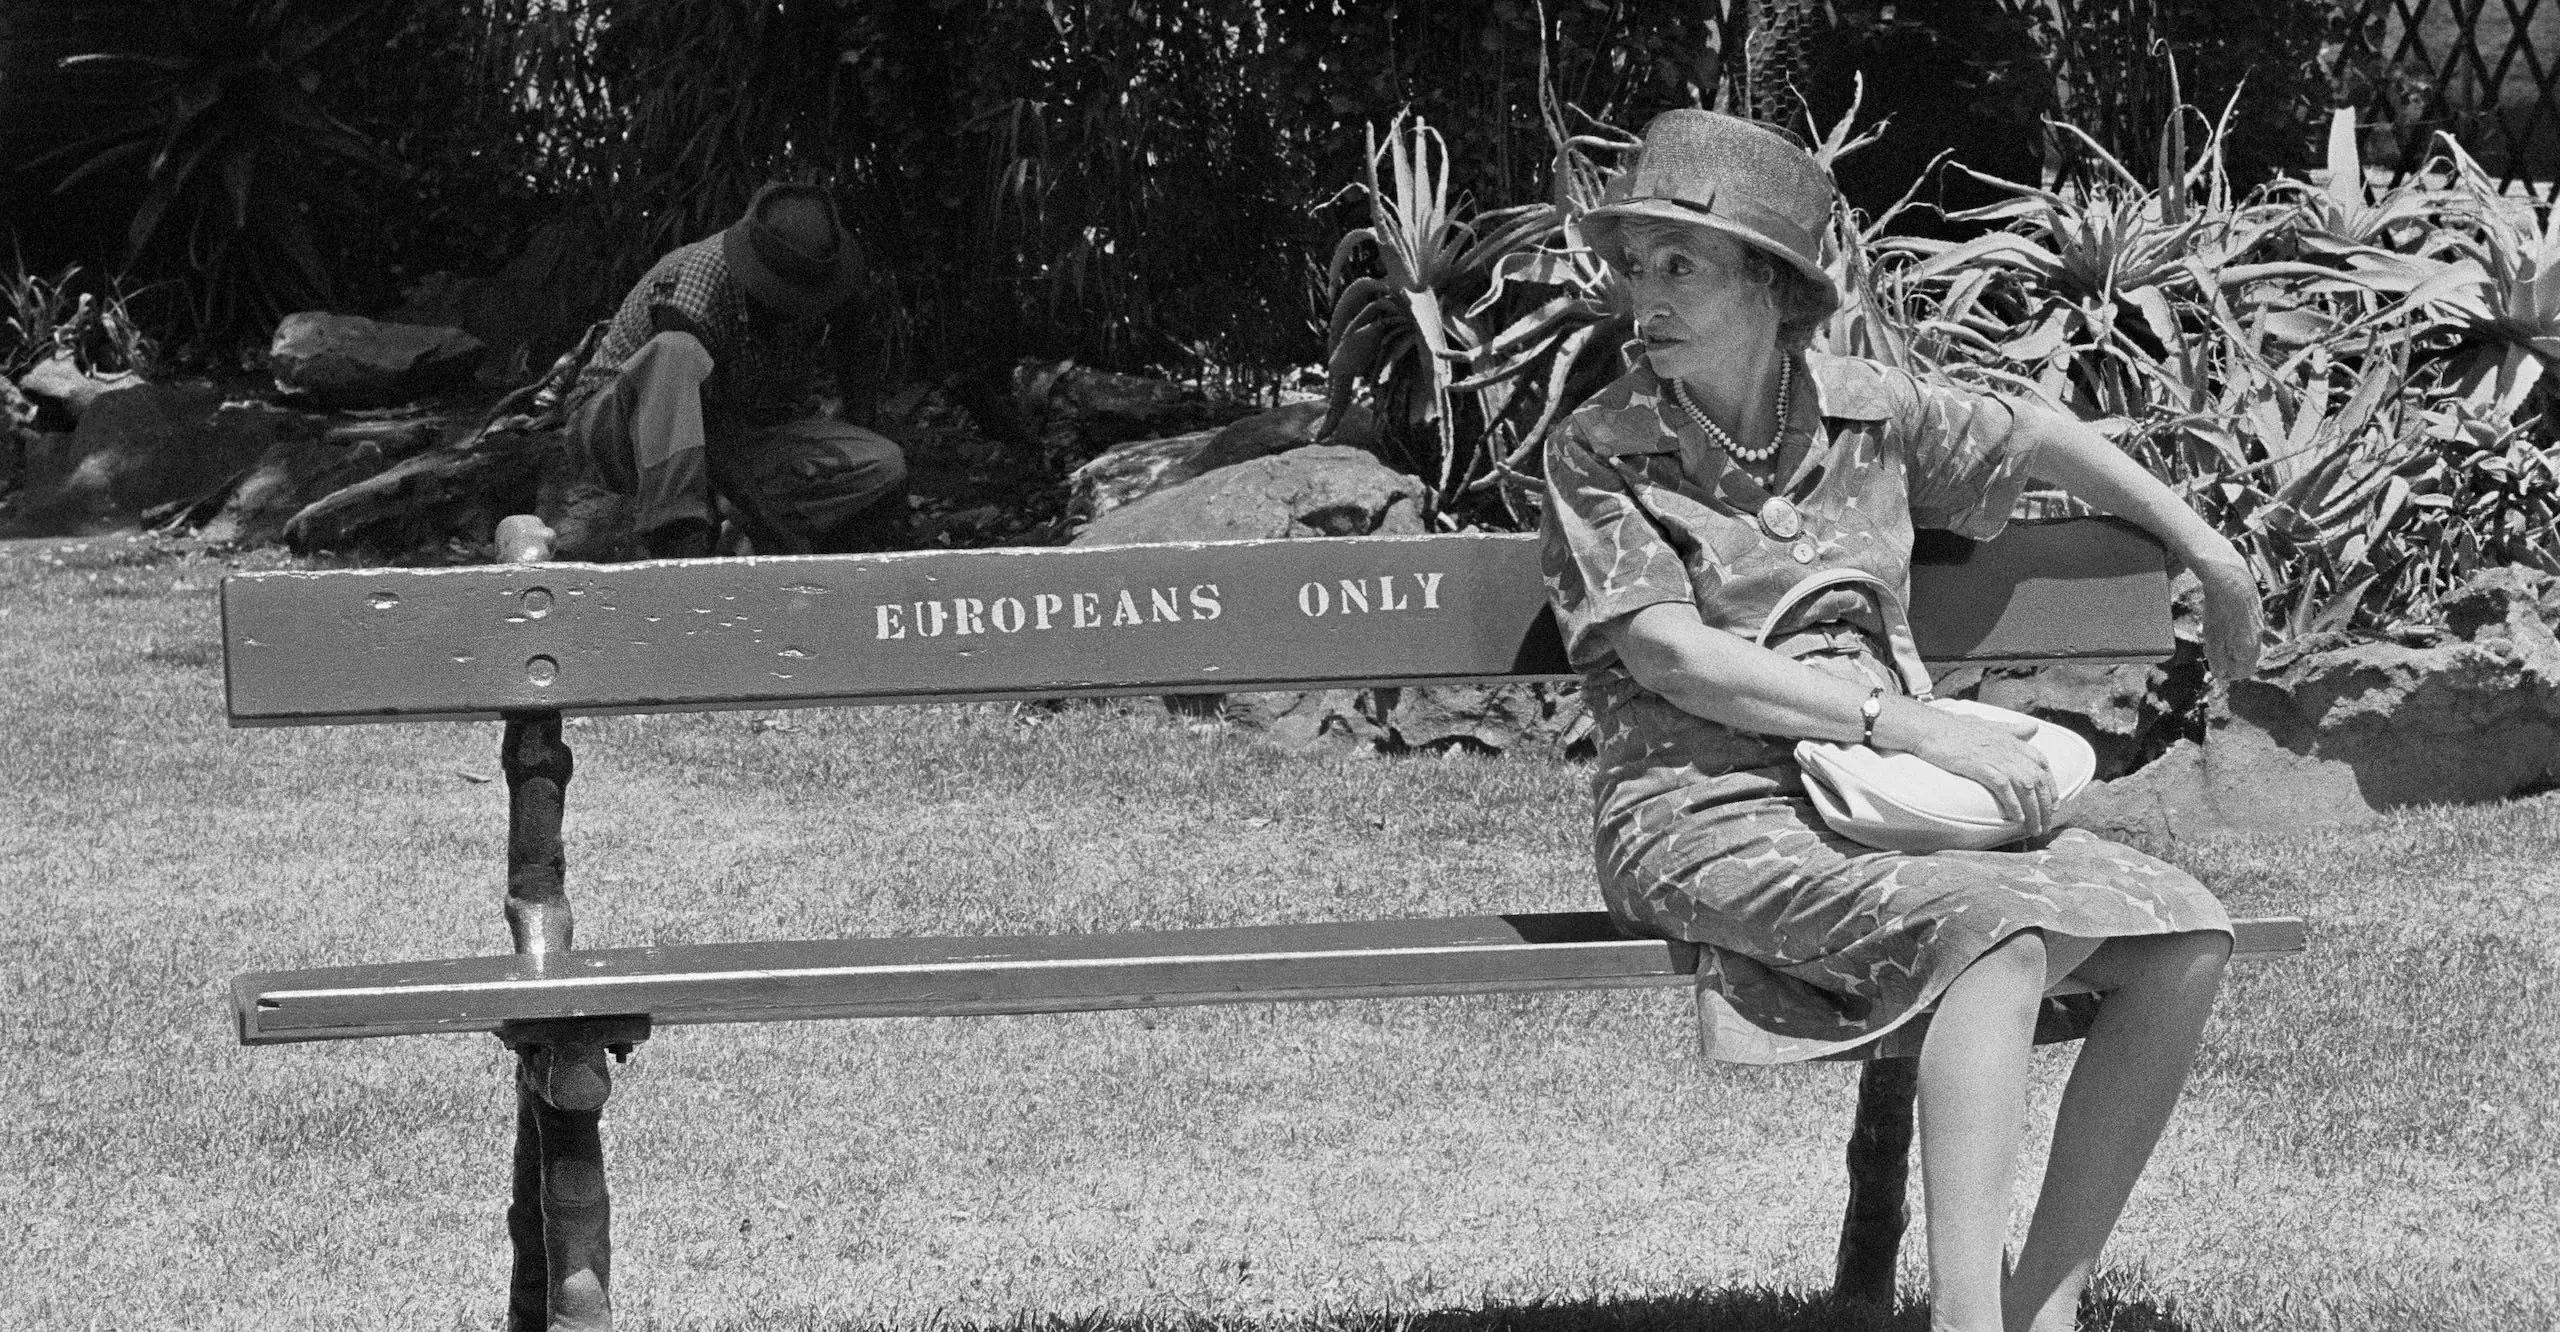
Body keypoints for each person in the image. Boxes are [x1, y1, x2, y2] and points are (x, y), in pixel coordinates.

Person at [1539, 110, 2266, 1332]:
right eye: (1633, 266)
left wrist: (2211, 555)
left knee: (2185, 937)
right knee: (1999, 930)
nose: (1641, 299)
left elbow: (2032, 434)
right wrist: (1911, 725)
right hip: (1702, 808)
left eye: (1681, 267)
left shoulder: (1868, 415)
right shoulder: (1600, 446)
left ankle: (2043, 1306)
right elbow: (1670, 655)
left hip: (1887, 806)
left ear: (1773, 288)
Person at [564, 181, 908, 558]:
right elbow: (691, 417)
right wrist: (758, 510)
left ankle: (745, 530)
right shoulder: (697, 280)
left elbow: (856, 354)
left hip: (736, 433)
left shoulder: (826, 277)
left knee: (883, 463)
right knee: (676, 351)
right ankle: (676, 531)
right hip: (621, 431)